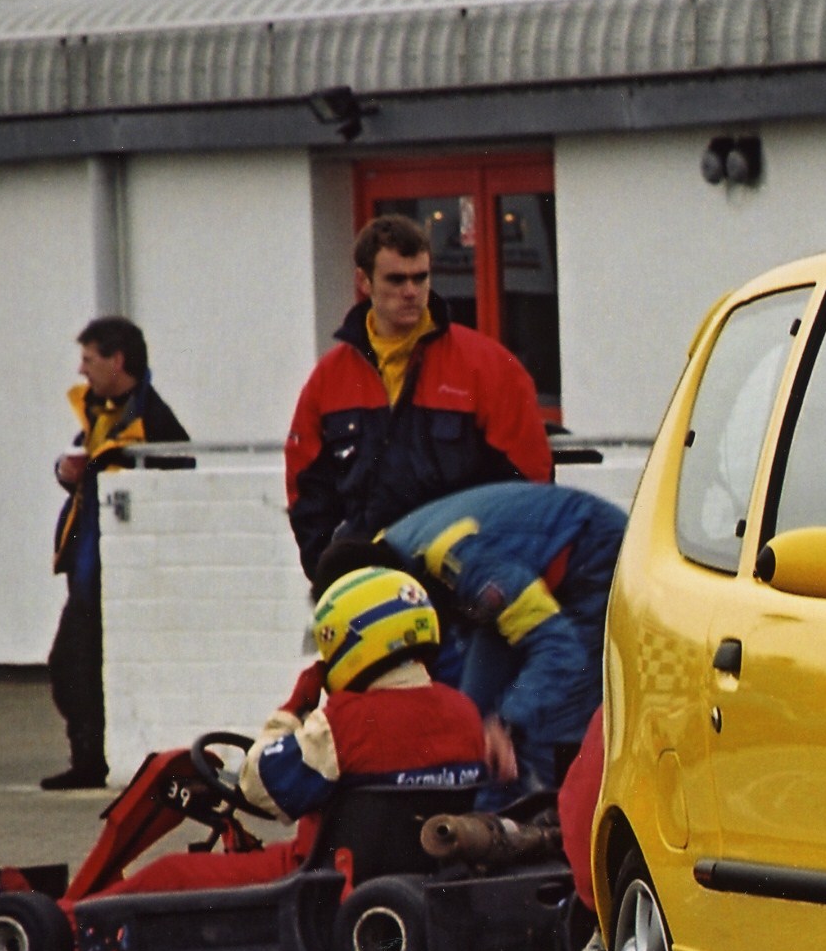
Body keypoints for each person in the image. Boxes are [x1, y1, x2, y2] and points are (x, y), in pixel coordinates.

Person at [97, 567, 484, 897]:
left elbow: (257, 787)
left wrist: (293, 711)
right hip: (423, 876)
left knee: (172, 873)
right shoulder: (465, 711)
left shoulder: (343, 721)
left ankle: (68, 921)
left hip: (317, 875)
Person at [313, 481, 625, 797]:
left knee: (536, 732)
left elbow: (559, 648)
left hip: (590, 557)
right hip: (516, 581)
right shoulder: (388, 559)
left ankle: (550, 831)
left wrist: (506, 720)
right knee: (474, 728)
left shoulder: (455, 556)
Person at [285, 214, 553, 581]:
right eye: (396, 279)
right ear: (363, 281)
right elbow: (306, 490)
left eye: (420, 277)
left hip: (463, 586)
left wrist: (494, 575)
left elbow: (531, 484)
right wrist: (329, 571)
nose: (411, 291)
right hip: (367, 586)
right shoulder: (329, 379)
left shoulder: (488, 368)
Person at [44, 318, 188, 790]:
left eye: (89, 359)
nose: (81, 371)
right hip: (87, 568)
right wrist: (68, 473)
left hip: (118, 574)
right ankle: (88, 757)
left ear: (117, 360)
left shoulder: (153, 417)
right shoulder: (98, 410)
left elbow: (181, 470)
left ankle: (93, 760)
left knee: (77, 666)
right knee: (69, 667)